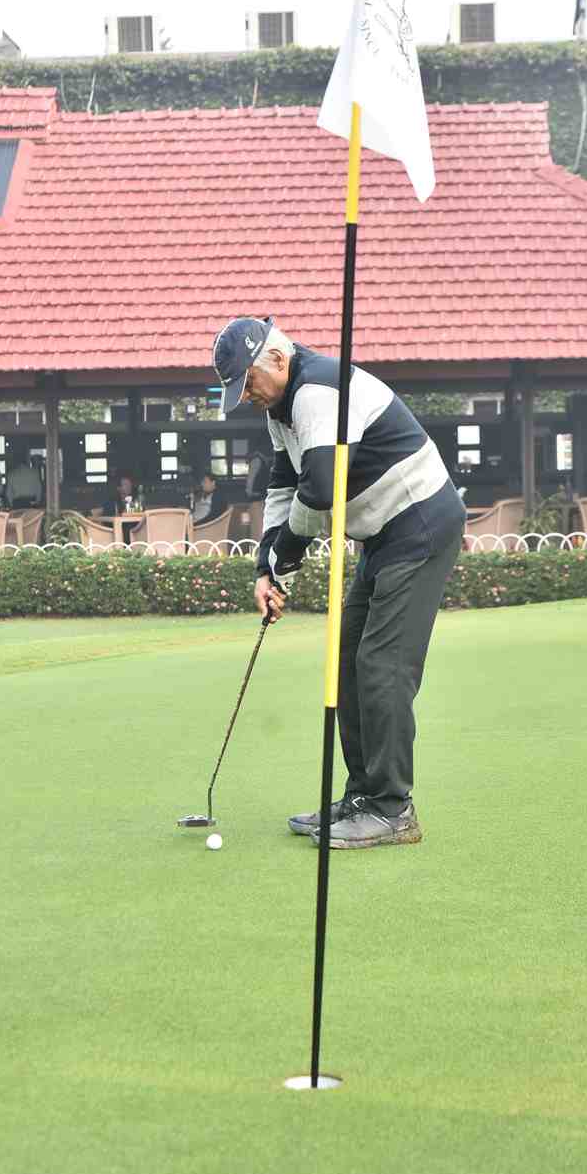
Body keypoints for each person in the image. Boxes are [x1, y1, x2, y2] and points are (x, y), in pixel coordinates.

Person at [213, 316, 465, 851]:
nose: (248, 397)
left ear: (275, 358)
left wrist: (287, 553)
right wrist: (267, 566)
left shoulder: (317, 391)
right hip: (381, 536)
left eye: (249, 383)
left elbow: (321, 489)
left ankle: (393, 808)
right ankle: (363, 797)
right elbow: (285, 486)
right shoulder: (280, 409)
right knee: (348, 657)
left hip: (419, 524)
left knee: (383, 665)